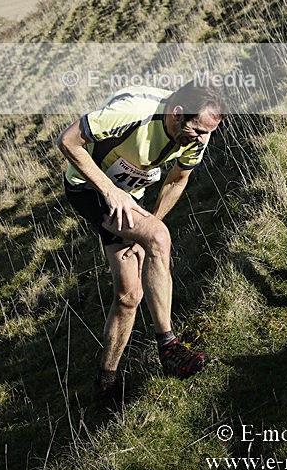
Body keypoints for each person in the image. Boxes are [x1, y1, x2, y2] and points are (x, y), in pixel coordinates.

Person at [57, 80, 224, 407]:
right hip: (88, 187)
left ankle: (105, 383)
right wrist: (111, 192)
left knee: (129, 294)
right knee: (159, 237)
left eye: (208, 133)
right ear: (177, 113)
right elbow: (67, 140)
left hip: (129, 195)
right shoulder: (134, 110)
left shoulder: (197, 135)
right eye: (198, 131)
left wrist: (147, 227)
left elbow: (178, 179)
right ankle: (169, 348)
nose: (203, 140)